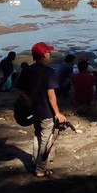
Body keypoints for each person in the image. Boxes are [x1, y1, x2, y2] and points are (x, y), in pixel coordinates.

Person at [17, 42, 66, 177]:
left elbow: (20, 92)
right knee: (46, 139)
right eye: (48, 52)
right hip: (46, 111)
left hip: (33, 111)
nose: (49, 54)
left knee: (37, 134)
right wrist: (57, 113)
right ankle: (40, 168)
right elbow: (51, 95)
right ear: (44, 55)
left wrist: (29, 102)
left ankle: (35, 161)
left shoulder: (26, 70)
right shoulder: (49, 72)